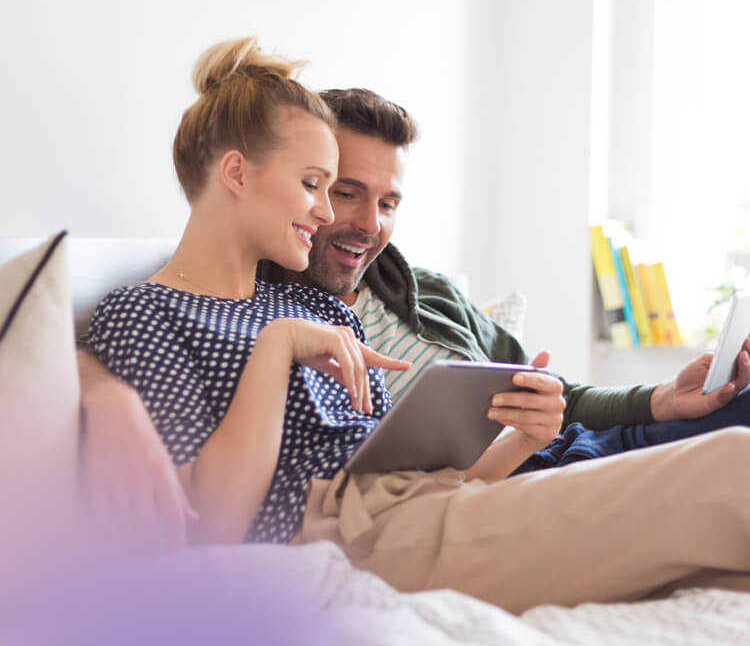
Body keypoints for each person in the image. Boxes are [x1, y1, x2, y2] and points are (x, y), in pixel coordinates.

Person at [85, 36, 750, 614]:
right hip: (345, 542)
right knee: (732, 467)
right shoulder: (145, 312)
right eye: (319, 184)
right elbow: (215, 527)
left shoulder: (318, 306)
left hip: (426, 515)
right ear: (236, 172)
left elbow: (428, 487)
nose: (325, 212)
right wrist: (273, 349)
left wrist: (521, 439)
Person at [260, 87, 750, 473]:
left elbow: (557, 396)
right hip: (522, 483)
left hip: (578, 447)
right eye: (347, 193)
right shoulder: (266, 327)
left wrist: (661, 399)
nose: (371, 224)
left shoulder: (430, 293)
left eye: (388, 204)